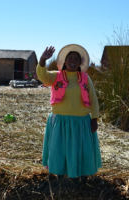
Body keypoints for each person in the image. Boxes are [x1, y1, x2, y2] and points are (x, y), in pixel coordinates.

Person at [36, 44, 102, 180]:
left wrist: (94, 119)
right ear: (64, 62)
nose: (73, 60)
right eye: (70, 58)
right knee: (59, 149)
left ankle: (82, 175)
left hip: (81, 121)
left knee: (82, 149)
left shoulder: (85, 78)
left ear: (80, 63)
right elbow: (43, 76)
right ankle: (60, 175)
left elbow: (93, 99)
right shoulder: (56, 76)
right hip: (60, 120)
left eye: (76, 59)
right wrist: (42, 60)